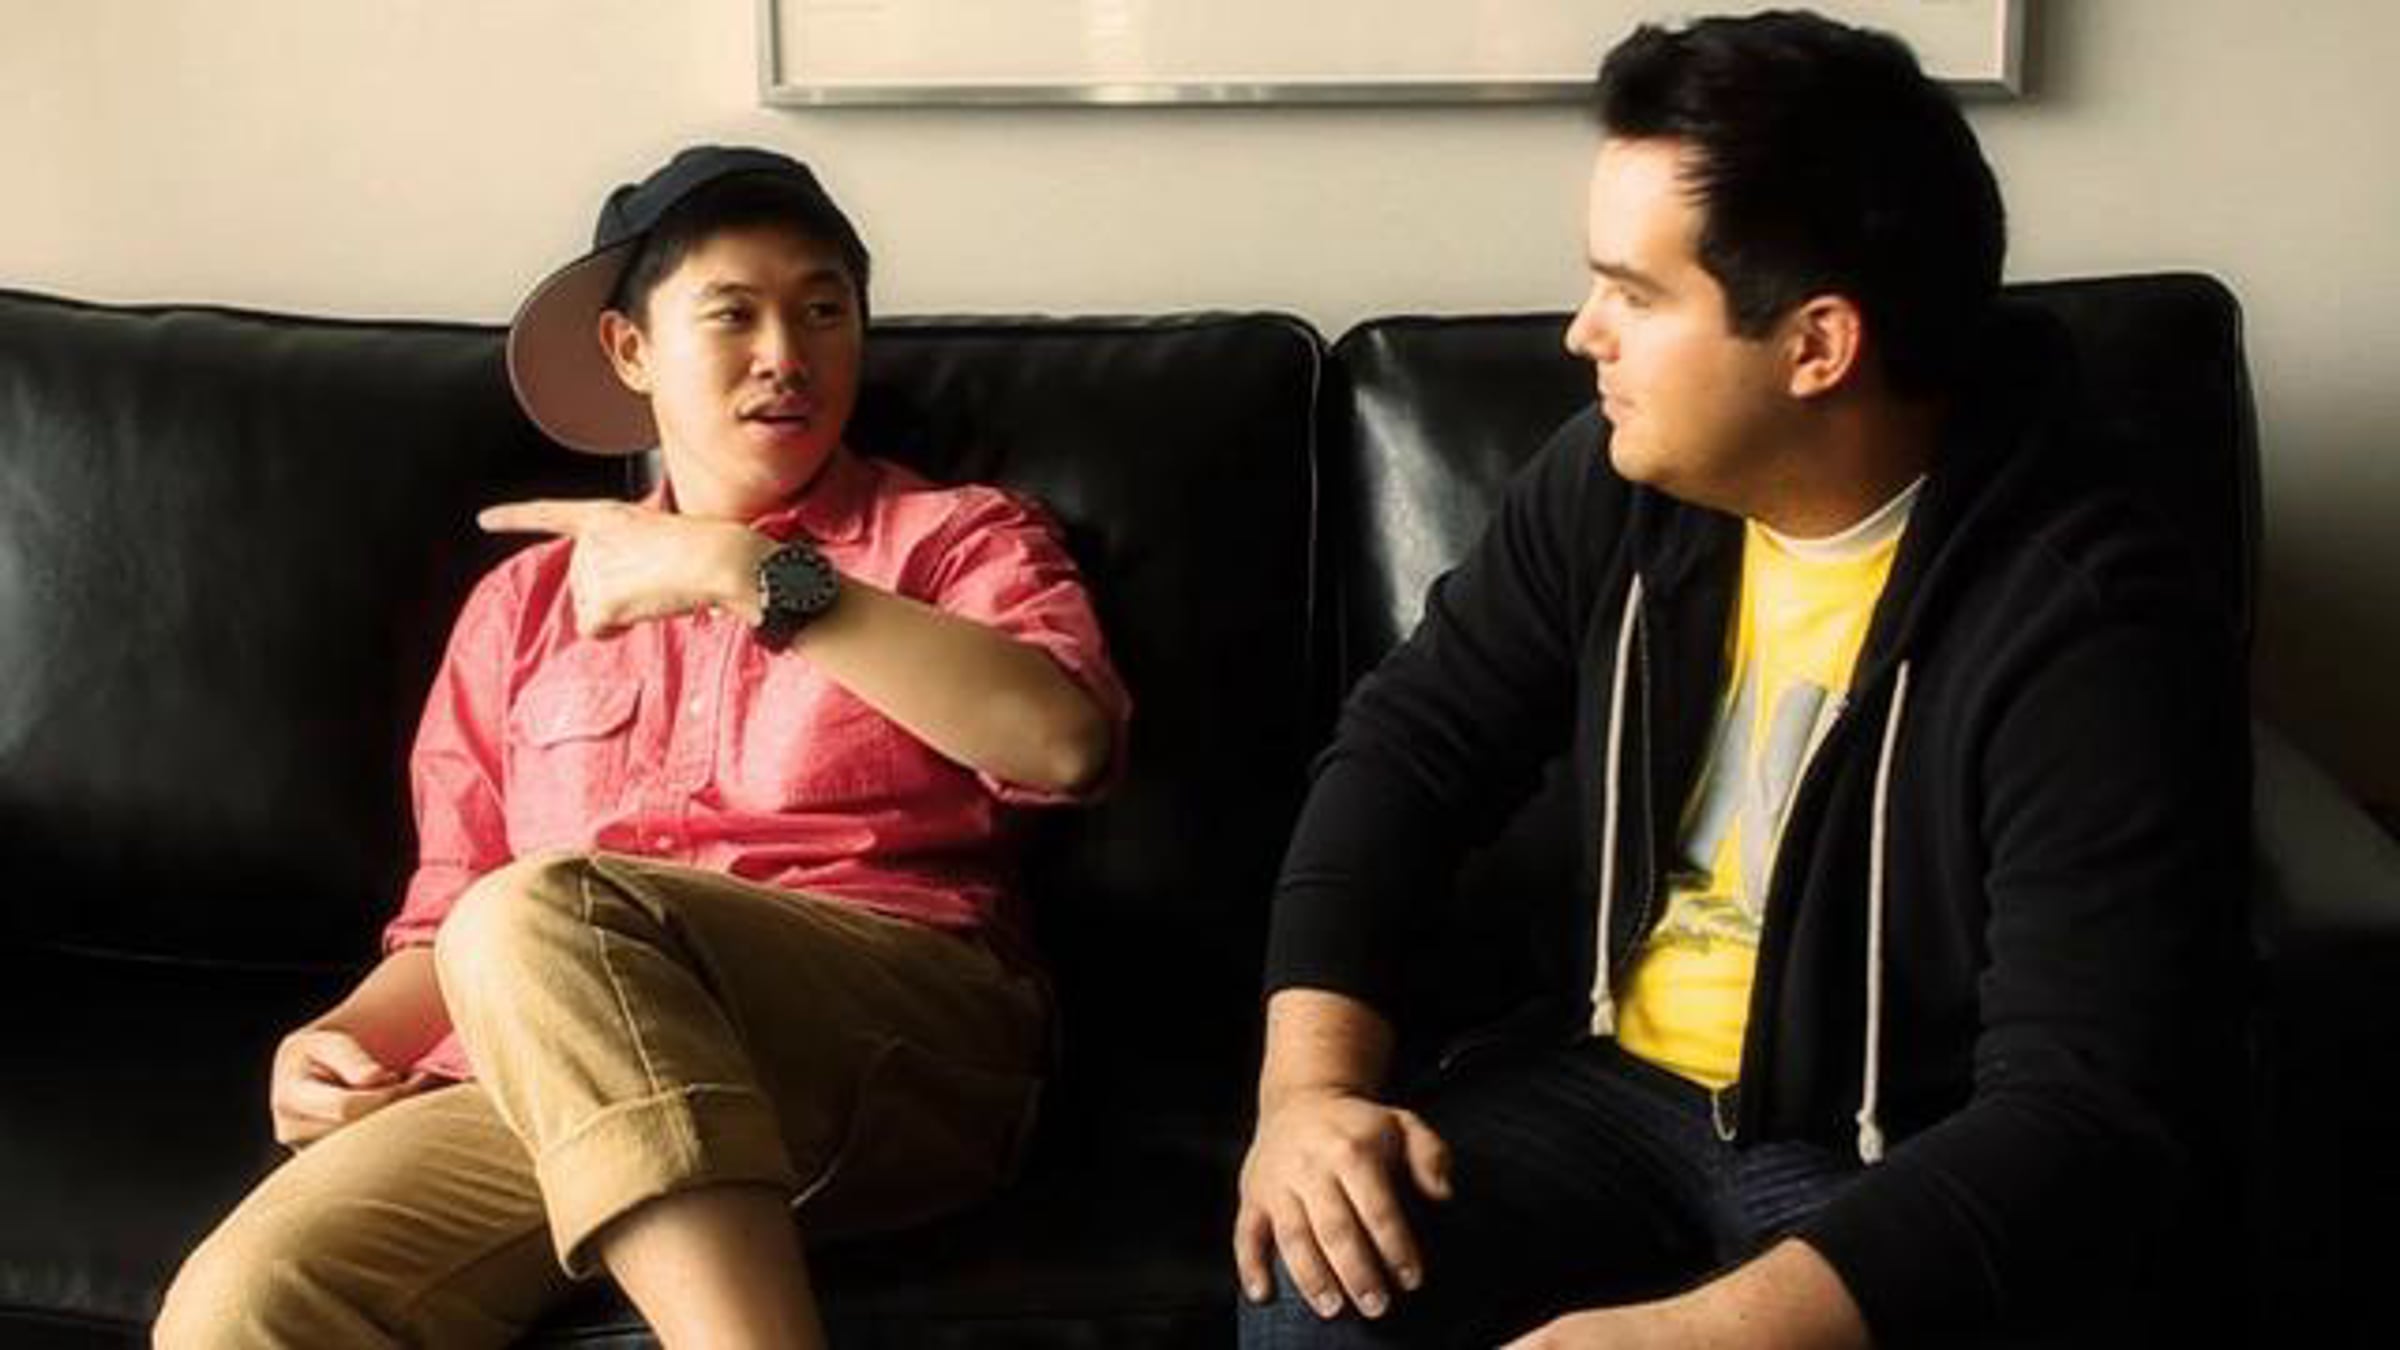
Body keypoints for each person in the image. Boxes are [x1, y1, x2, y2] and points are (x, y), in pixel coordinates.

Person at [1234, 11, 2245, 1348]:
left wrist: (1678, 1336)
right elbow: (1405, 756)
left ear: (1818, 346)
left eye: (1637, 295)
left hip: (1893, 1152)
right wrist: (1307, 1098)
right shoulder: (1616, 484)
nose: (1583, 334)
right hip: (1606, 1090)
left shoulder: (2086, 618)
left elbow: (2079, 1111)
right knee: (1318, 1279)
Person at [156, 145, 1129, 1349]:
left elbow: (1064, 743)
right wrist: (340, 1040)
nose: (787, 354)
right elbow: (453, 915)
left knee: (542, 910)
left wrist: (746, 573)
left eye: (824, 311)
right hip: (568, 1061)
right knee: (247, 1303)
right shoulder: (521, 608)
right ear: (630, 350)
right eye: (734, 313)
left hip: (894, 1034)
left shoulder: (950, 538)